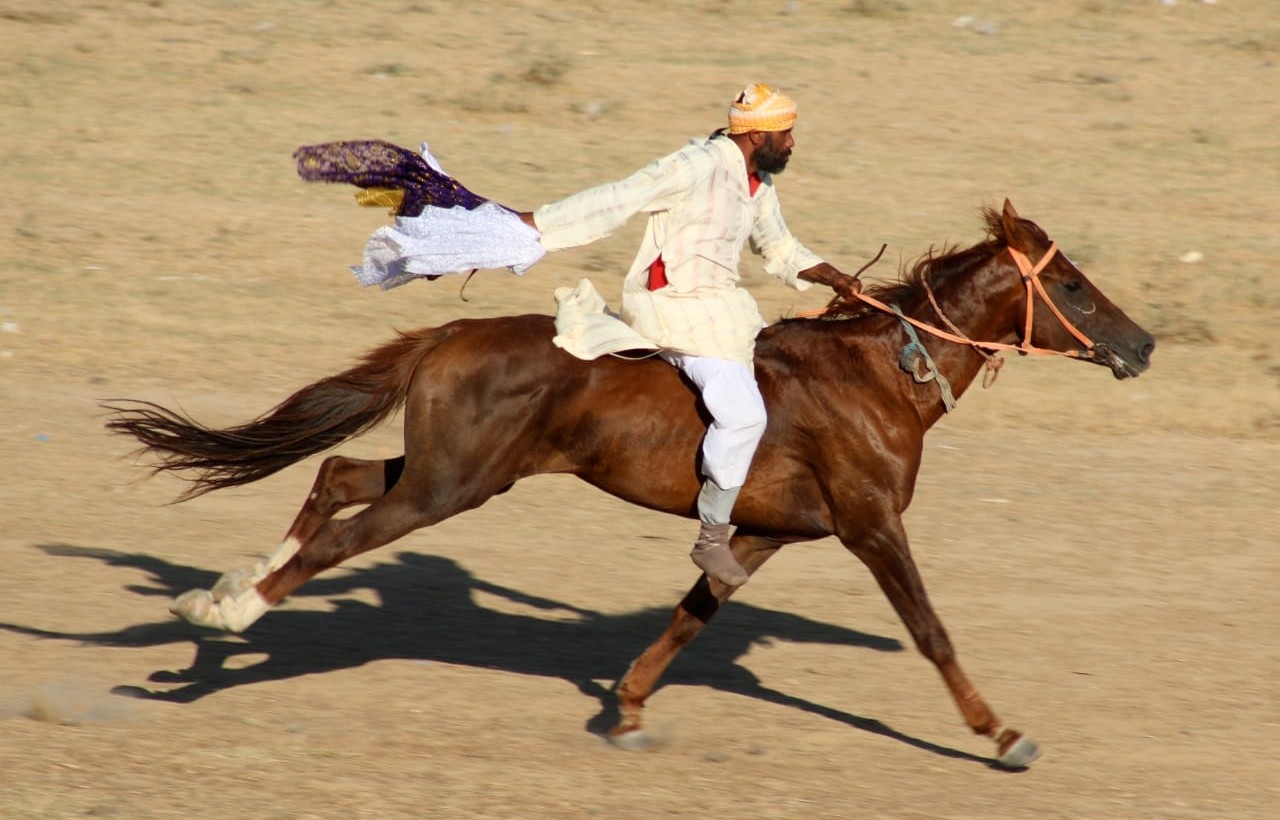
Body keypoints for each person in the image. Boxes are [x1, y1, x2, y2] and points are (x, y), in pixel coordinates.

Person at [517, 84, 862, 586]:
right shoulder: (696, 165)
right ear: (759, 134)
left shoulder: (758, 181)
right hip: (673, 309)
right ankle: (713, 536)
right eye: (786, 134)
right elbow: (621, 195)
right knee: (744, 416)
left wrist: (835, 277)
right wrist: (535, 224)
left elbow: (779, 246)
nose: (792, 143)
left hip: (719, 310)